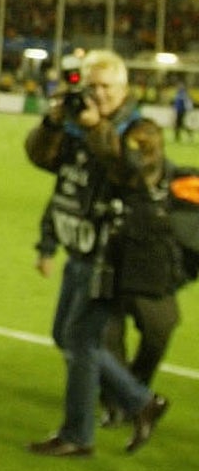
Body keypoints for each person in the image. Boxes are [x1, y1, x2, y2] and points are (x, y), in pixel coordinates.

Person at [27, 51, 166, 455]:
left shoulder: (142, 130)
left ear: (124, 89)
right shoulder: (75, 127)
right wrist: (53, 121)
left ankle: (77, 435)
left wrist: (98, 128)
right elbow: (41, 158)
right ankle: (142, 402)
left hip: (116, 255)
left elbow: (136, 173)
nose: (99, 94)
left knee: (81, 340)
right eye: (93, 86)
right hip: (81, 250)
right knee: (66, 336)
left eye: (107, 87)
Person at [98, 118, 189, 404]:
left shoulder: (180, 181)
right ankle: (117, 400)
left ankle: (135, 388)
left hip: (154, 275)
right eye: (136, 146)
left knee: (159, 331)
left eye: (148, 146)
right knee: (106, 337)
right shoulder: (110, 178)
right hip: (109, 270)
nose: (142, 154)